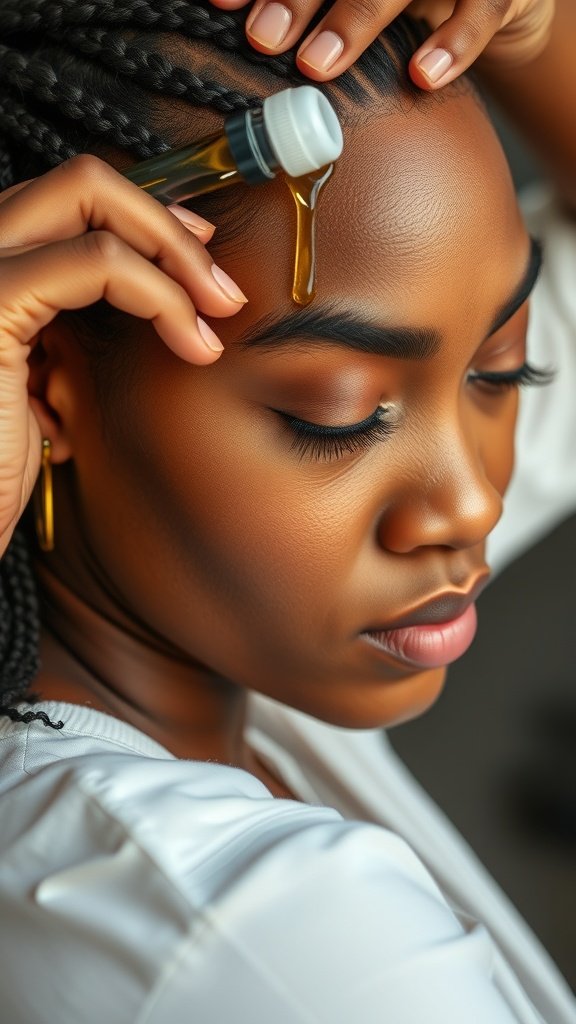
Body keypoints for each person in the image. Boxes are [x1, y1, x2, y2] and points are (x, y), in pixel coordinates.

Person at [0, 2, 575, 1022]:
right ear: (43, 386)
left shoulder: (230, 668)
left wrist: (539, 29)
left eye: (502, 367)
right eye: (339, 418)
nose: (470, 499)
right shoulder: (270, 934)